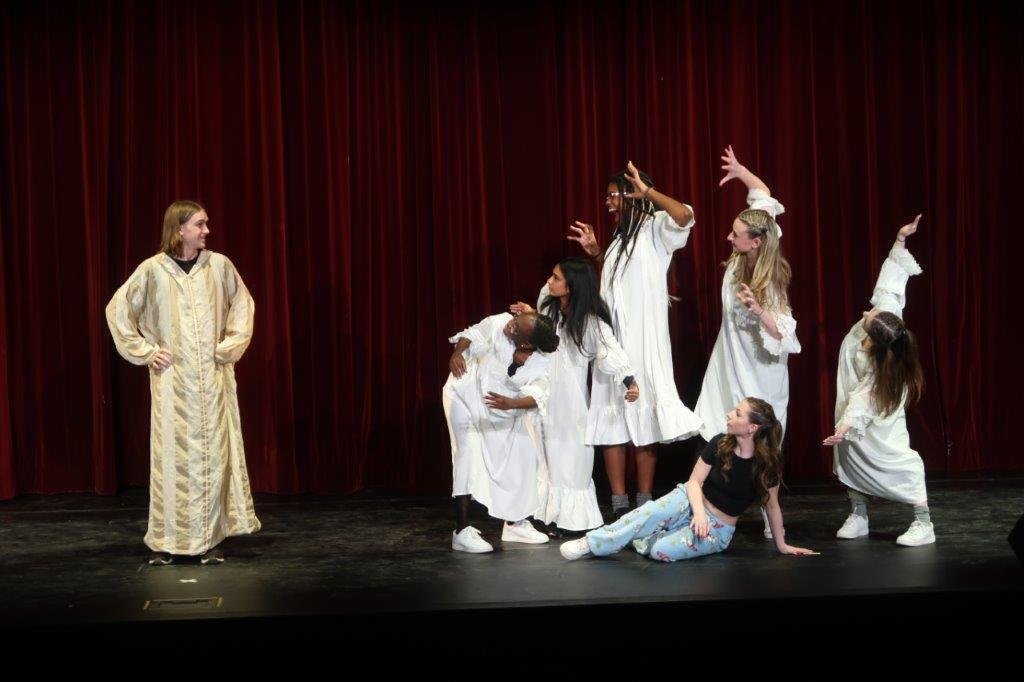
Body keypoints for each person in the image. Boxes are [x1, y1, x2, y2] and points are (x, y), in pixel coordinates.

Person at [106, 200, 259, 565]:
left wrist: (228, 347)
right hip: (173, 383)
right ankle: (168, 540)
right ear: (179, 229)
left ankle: (209, 539)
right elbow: (118, 309)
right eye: (200, 224)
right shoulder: (153, 270)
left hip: (212, 380)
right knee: (173, 460)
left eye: (206, 224)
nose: (207, 230)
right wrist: (144, 351)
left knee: (212, 455)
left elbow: (243, 306)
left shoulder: (218, 267)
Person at [823, 215, 933, 546]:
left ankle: (923, 522)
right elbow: (891, 285)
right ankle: (858, 514)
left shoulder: (876, 366)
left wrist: (845, 426)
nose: (865, 314)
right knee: (852, 457)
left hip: (877, 414)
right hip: (853, 408)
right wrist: (900, 240)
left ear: (872, 343)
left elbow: (865, 399)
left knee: (899, 461)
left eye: (867, 322)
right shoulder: (888, 318)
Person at [444, 309, 560, 552]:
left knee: (524, 453)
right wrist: (457, 353)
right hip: (464, 394)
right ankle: (462, 531)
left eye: (517, 329)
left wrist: (512, 404)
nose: (511, 326)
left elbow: (540, 394)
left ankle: (515, 522)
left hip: (502, 409)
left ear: (527, 343)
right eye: (515, 321)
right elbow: (474, 332)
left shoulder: (541, 360)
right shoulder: (501, 322)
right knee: (467, 452)